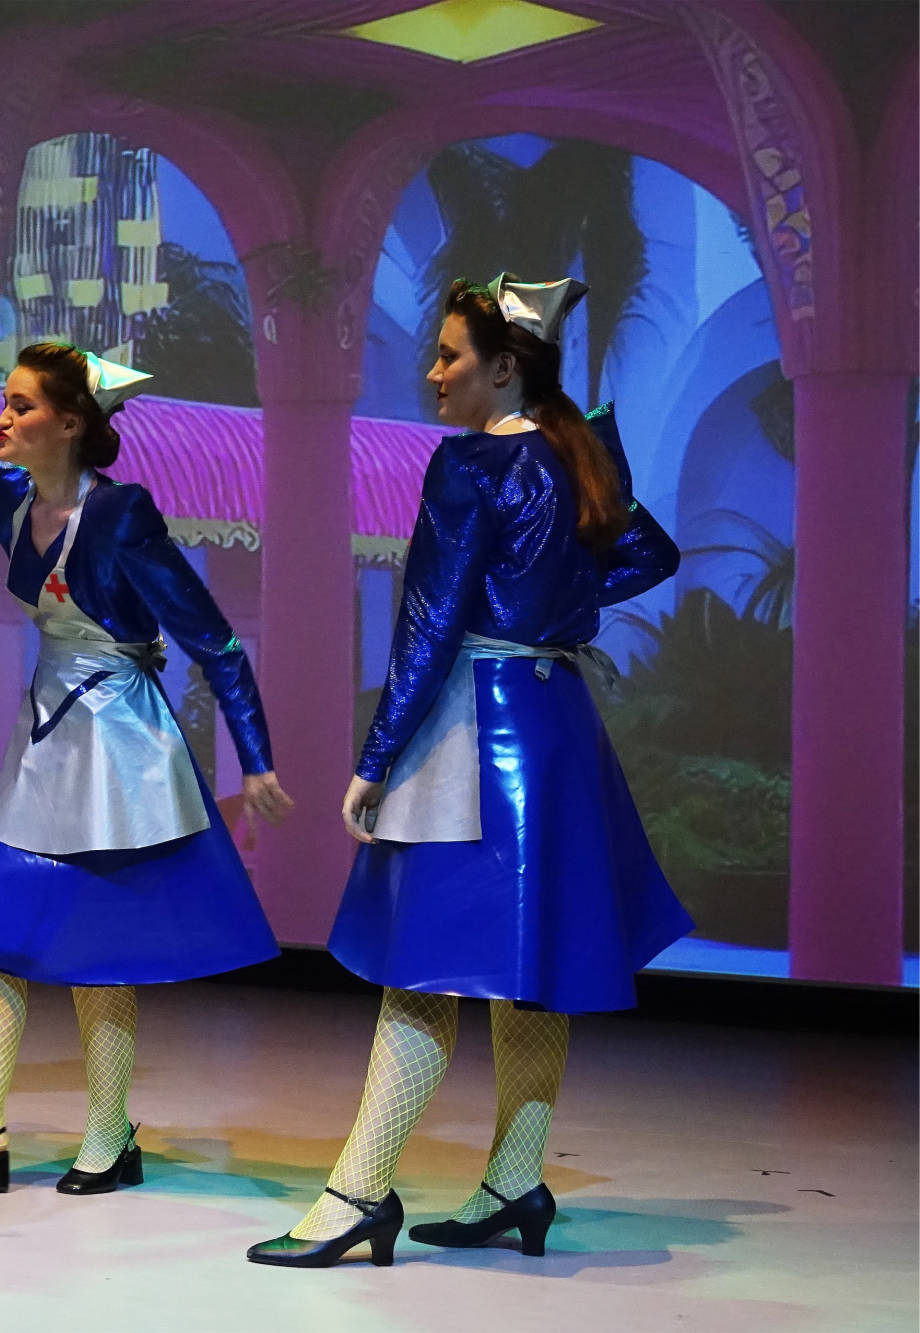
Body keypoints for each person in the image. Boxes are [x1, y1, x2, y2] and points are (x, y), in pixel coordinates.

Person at [246, 275, 691, 1269]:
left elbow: (430, 621)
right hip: (555, 726)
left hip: (472, 732)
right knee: (529, 973)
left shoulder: (468, 465)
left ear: (503, 367)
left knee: (420, 967)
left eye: (450, 355)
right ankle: (513, 1181)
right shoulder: (573, 452)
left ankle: (357, 1195)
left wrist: (374, 759)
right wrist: (557, 604)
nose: (433, 372)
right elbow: (652, 554)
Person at [0, 343, 294, 1197]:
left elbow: (214, 637)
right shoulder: (11, 496)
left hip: (117, 739)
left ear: (71, 422)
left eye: (23, 405)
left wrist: (255, 757)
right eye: (4, 401)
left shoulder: (120, 514)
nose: (3, 417)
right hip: (45, 729)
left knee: (99, 943)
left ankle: (110, 1132)